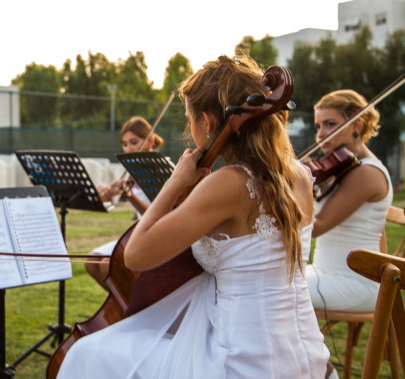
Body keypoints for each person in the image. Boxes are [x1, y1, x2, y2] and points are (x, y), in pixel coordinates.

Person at [57, 55, 331, 378]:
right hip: (305, 355)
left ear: (206, 121)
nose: (190, 127)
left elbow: (135, 254)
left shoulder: (229, 183)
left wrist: (174, 183)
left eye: (189, 118)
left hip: (243, 361)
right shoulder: (298, 174)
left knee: (88, 354)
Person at [306, 89, 392, 312]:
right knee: (263, 280)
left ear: (357, 125)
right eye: (318, 126)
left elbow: (317, 226)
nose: (321, 134)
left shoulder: (367, 173)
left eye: (330, 124)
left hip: (353, 282)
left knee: (268, 287)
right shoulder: (343, 169)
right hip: (322, 274)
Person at [84, 116, 163, 289]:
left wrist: (131, 197)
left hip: (156, 238)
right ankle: (121, 303)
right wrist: (104, 192)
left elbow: (160, 216)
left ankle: (130, 307)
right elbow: (111, 192)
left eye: (134, 142)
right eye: (124, 144)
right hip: (137, 235)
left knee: (107, 265)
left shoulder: (158, 171)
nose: (128, 149)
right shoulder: (132, 171)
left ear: (150, 141)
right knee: (91, 261)